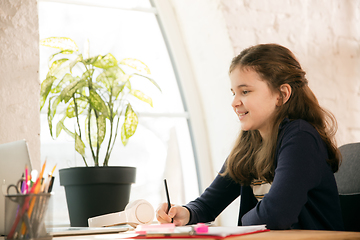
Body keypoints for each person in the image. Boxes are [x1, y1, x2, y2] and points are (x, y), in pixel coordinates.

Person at [156, 43, 344, 230]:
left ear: (282, 94)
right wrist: (185, 213)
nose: (234, 102)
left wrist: (240, 227)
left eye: (245, 91)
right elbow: (207, 205)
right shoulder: (250, 143)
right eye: (234, 93)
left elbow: (276, 215)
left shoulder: (301, 138)